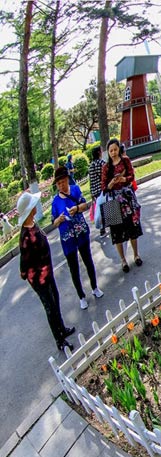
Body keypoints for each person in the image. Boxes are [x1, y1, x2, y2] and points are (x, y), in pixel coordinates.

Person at [18, 191, 76, 351]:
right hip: (39, 279)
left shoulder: (33, 224)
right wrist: (25, 274)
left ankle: (62, 328)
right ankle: (60, 340)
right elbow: (24, 261)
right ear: (30, 210)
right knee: (50, 307)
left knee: (55, 300)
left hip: (47, 272)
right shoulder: (25, 236)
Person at [51, 166, 103, 310]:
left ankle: (95, 287)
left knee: (88, 261)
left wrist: (77, 209)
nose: (61, 185)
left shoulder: (75, 190)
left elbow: (85, 204)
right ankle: (81, 296)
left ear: (67, 179)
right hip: (67, 239)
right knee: (74, 268)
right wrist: (59, 220)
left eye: (63, 181)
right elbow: (53, 222)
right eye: (58, 183)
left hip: (81, 233)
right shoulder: (55, 202)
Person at [101, 138, 143, 273]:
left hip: (127, 198)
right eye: (110, 150)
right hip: (113, 201)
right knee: (117, 232)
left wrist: (124, 179)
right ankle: (123, 260)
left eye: (115, 149)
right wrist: (111, 183)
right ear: (108, 152)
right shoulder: (106, 167)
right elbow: (104, 188)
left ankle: (136, 254)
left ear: (119, 149)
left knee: (132, 227)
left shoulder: (125, 161)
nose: (113, 153)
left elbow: (132, 175)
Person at [88, 146, 106, 236]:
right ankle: (104, 226)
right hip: (102, 189)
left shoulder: (91, 165)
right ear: (99, 153)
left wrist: (91, 193)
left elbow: (90, 180)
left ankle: (102, 228)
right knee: (104, 207)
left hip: (95, 191)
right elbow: (104, 176)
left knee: (99, 208)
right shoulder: (101, 163)